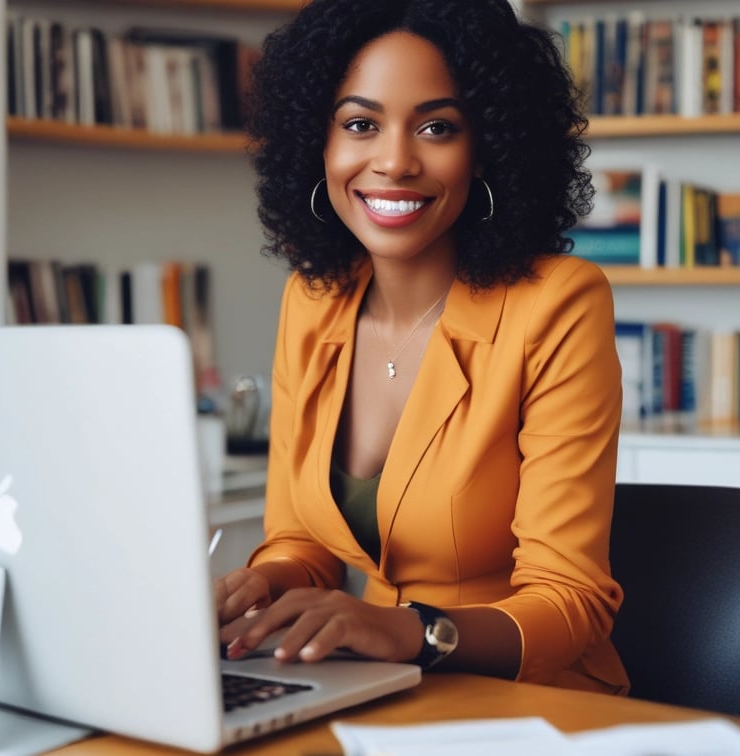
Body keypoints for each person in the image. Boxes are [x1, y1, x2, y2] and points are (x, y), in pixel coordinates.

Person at [216, 0, 629, 695]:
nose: (395, 160)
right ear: (317, 142)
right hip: (364, 686)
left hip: (531, 701)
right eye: (360, 124)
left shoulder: (559, 304)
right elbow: (303, 543)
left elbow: (570, 601)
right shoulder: (312, 301)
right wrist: (258, 586)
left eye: (438, 127)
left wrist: (407, 630)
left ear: (489, 146)